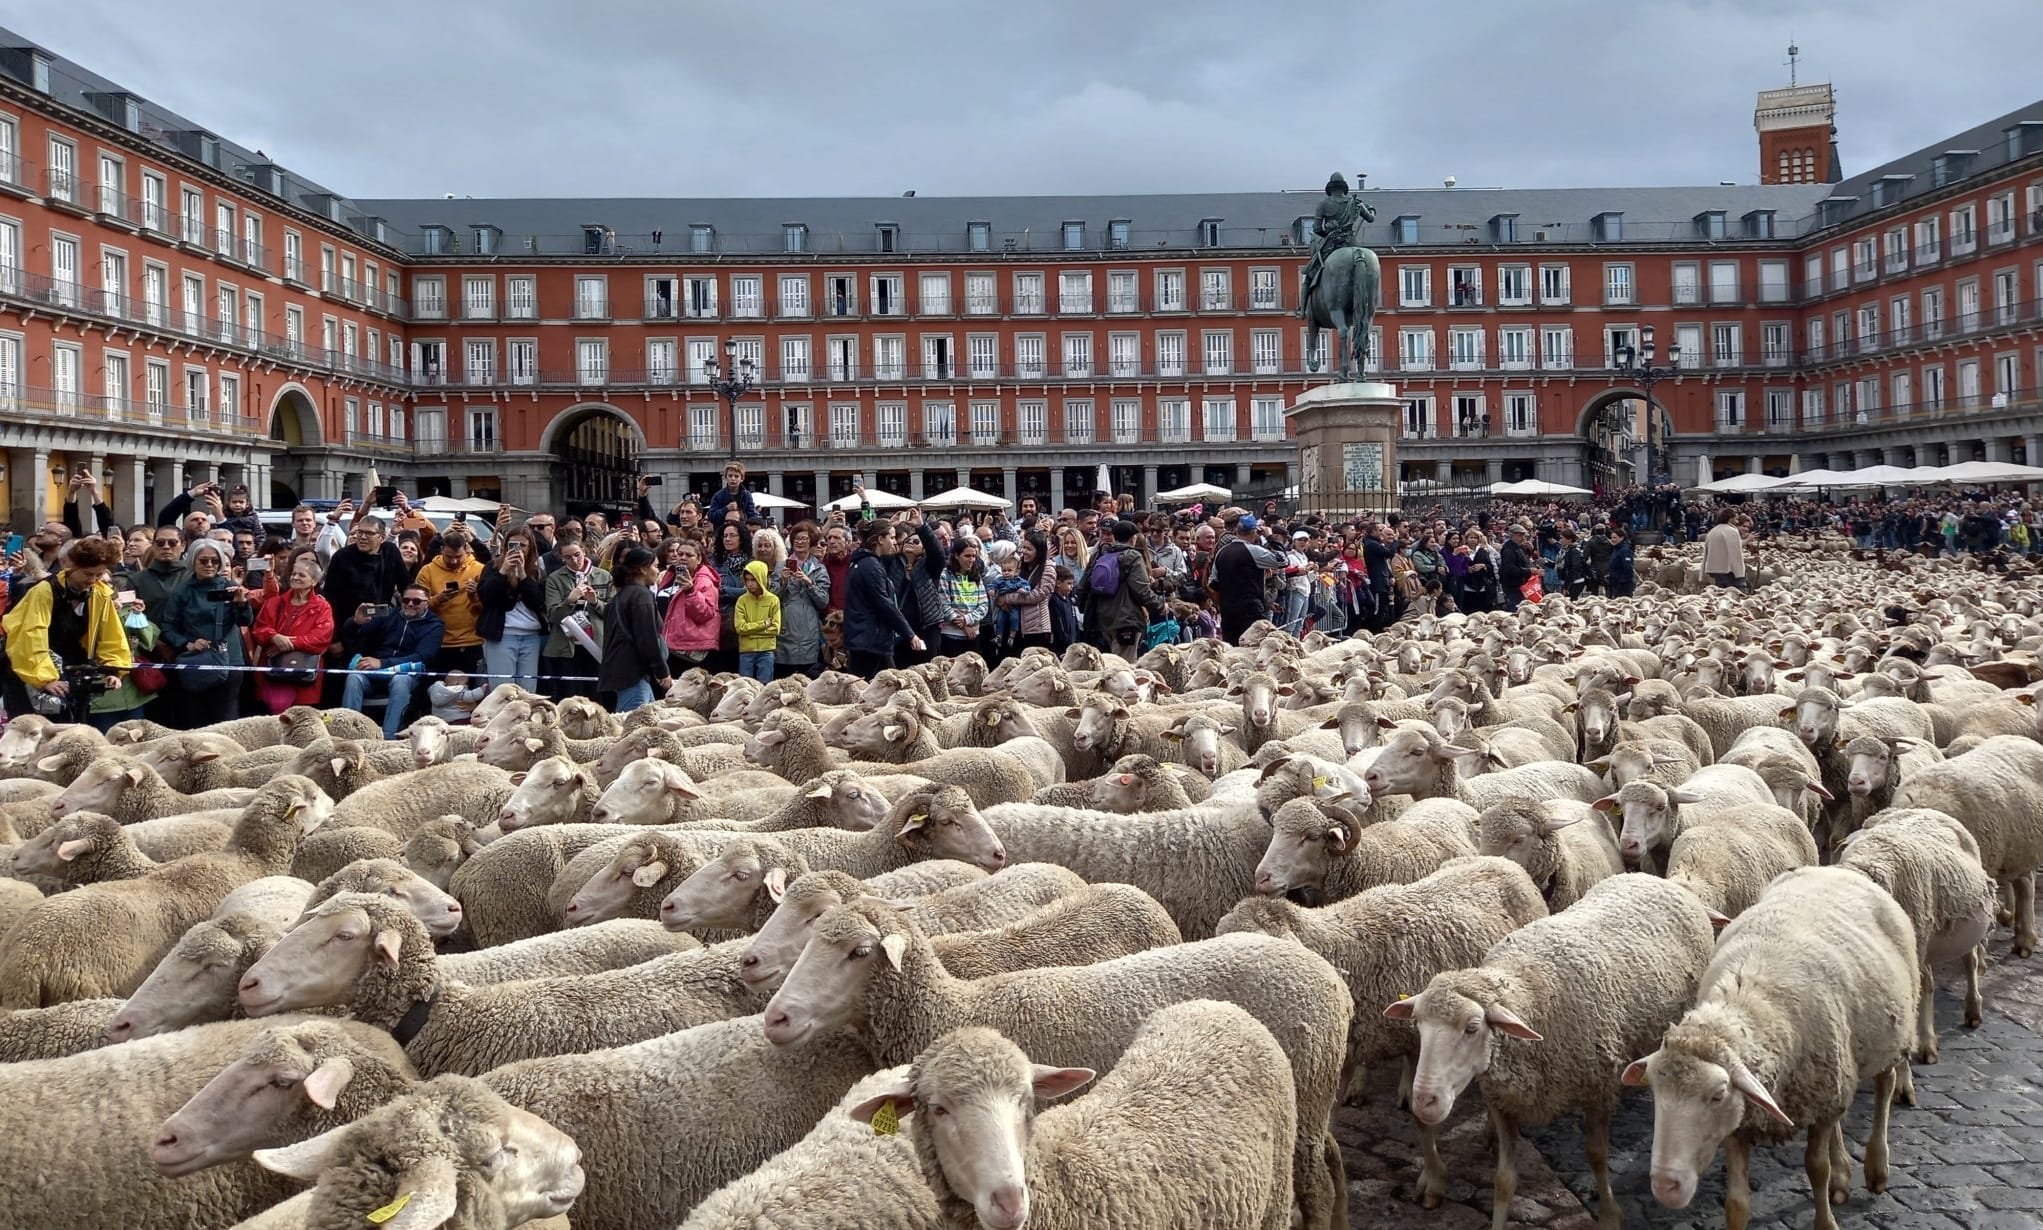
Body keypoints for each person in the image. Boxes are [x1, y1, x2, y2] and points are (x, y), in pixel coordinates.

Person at [0, 537, 131, 727]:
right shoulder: (43, 591)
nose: (93, 580)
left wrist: (112, 670)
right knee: (31, 734)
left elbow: (112, 635)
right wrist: (45, 680)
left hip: (70, 672)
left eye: (99, 575)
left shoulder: (99, 593)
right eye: (88, 574)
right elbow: (29, 637)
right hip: (28, 675)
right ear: (72, 566)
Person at [157, 540, 254, 729]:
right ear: (193, 561)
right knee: (197, 719)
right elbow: (168, 628)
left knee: (227, 721)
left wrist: (241, 603)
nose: (209, 565)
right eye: (203, 561)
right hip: (196, 660)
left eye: (214, 561)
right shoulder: (183, 591)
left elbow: (245, 622)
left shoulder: (230, 587)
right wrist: (187, 643)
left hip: (230, 661)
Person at [341, 583, 445, 738]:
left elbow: (423, 656)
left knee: (400, 680)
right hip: (375, 671)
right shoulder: (387, 614)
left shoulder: (435, 624)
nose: (410, 604)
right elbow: (354, 636)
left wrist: (383, 663)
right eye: (406, 600)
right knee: (354, 677)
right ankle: (348, 733)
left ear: (427, 602)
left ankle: (390, 736)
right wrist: (356, 622)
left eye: (416, 601)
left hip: (406, 673)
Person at [250, 554, 335, 715]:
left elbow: (321, 637)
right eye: (293, 574)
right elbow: (259, 628)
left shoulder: (322, 607)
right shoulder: (275, 602)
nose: (295, 577)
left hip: (304, 674)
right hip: (274, 672)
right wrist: (274, 637)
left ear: (314, 582)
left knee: (301, 722)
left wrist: (289, 643)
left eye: (301, 575)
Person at [843, 520, 923, 676]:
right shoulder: (871, 566)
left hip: (866, 638)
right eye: (892, 538)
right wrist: (909, 634)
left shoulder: (862, 562)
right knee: (882, 686)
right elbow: (885, 604)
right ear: (880, 539)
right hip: (871, 640)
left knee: (889, 683)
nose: (894, 542)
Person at [598, 546, 670, 712]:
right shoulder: (641, 596)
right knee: (633, 731)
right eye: (655, 566)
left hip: (622, 674)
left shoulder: (618, 598)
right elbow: (647, 638)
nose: (657, 571)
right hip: (632, 676)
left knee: (648, 727)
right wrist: (662, 671)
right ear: (644, 569)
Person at [478, 528, 547, 692]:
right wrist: (503, 572)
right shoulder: (493, 566)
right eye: (512, 545)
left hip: (531, 636)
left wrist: (523, 575)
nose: (517, 549)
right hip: (502, 634)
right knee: (503, 690)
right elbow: (485, 596)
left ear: (530, 547)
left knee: (528, 689)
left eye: (522, 545)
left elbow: (539, 601)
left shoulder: (537, 571)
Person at [1076, 519, 1158, 659]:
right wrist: (1160, 605)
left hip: (1102, 620)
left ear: (1114, 536)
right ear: (1133, 538)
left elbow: (1083, 584)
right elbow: (1141, 590)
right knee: (1124, 667)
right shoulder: (1132, 556)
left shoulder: (1101, 554)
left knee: (1109, 663)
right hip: (1126, 620)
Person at [1298, 171, 1375, 318]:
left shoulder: (1323, 204)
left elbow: (1316, 229)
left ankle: (1302, 311)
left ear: (1330, 188)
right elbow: (1370, 218)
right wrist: (1371, 209)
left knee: (1308, 277)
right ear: (1343, 188)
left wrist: (1328, 228)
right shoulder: (1356, 203)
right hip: (1351, 243)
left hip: (1331, 245)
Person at [541, 539, 610, 700]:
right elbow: (552, 615)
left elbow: (612, 613)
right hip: (567, 647)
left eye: (577, 555)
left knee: (596, 695)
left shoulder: (603, 575)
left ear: (584, 552)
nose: (574, 560)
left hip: (596, 645)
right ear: (562, 559)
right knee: (569, 697)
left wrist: (595, 602)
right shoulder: (554, 579)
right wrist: (569, 601)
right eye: (568, 557)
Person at [770, 529, 830, 680]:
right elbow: (772, 598)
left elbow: (823, 601)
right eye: (796, 538)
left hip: (808, 630)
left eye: (804, 538)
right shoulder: (781, 566)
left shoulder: (819, 568)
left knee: (807, 679)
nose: (799, 542)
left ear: (811, 542)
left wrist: (809, 583)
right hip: (785, 627)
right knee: (782, 678)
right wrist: (783, 582)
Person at [1211, 515, 1279, 646]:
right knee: (1255, 648)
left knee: (1232, 649)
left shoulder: (1222, 552)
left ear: (1237, 531)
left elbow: (1213, 582)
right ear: (1254, 532)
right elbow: (1282, 560)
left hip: (1228, 610)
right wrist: (1270, 537)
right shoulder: (1254, 551)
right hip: (1252, 609)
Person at [937, 535, 991, 660]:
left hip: (973, 633)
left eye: (973, 556)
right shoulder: (946, 575)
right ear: (956, 555)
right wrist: (963, 625)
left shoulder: (975, 576)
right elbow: (944, 604)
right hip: (951, 634)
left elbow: (983, 605)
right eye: (967, 556)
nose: (971, 560)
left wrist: (968, 619)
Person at [733, 560, 781, 683]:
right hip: (746, 651)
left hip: (766, 650)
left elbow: (775, 629)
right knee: (745, 685)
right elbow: (740, 628)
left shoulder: (773, 600)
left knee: (764, 686)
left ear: (761, 578)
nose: (750, 584)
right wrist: (763, 625)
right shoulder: (742, 601)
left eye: (753, 580)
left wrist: (750, 633)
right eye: (747, 580)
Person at [1701, 508, 1747, 588]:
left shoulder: (1712, 531)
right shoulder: (1731, 531)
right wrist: (1740, 575)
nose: (1737, 522)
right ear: (1730, 519)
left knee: (1720, 594)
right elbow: (1735, 553)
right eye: (1736, 519)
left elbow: (1707, 552)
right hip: (1728, 571)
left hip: (1714, 569)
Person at [706, 462, 758, 526]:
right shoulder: (718, 496)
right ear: (726, 477)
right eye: (730, 476)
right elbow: (711, 516)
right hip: (723, 530)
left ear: (741, 479)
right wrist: (726, 508)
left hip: (742, 530)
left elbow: (752, 515)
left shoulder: (747, 495)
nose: (733, 479)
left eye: (736, 476)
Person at [1498, 524, 1535, 610]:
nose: (1522, 538)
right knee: (1515, 608)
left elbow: (1523, 561)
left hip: (1521, 584)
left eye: (1523, 535)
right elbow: (1510, 568)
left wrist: (1529, 550)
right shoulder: (1509, 549)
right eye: (1520, 535)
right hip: (1513, 585)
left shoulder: (1519, 547)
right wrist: (1529, 571)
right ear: (1512, 535)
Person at [1556, 528, 1591, 599]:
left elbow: (1574, 569)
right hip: (1569, 580)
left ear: (1569, 539)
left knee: (1571, 601)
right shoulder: (1566, 550)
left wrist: (1567, 586)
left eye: (1562, 538)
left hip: (1575, 582)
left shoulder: (1574, 551)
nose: (1561, 540)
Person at [1605, 526, 1637, 598]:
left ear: (1622, 538)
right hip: (1615, 583)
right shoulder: (1616, 549)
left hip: (1623, 585)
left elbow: (1628, 567)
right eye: (1612, 538)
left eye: (1615, 537)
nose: (1612, 540)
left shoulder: (1625, 550)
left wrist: (1621, 581)